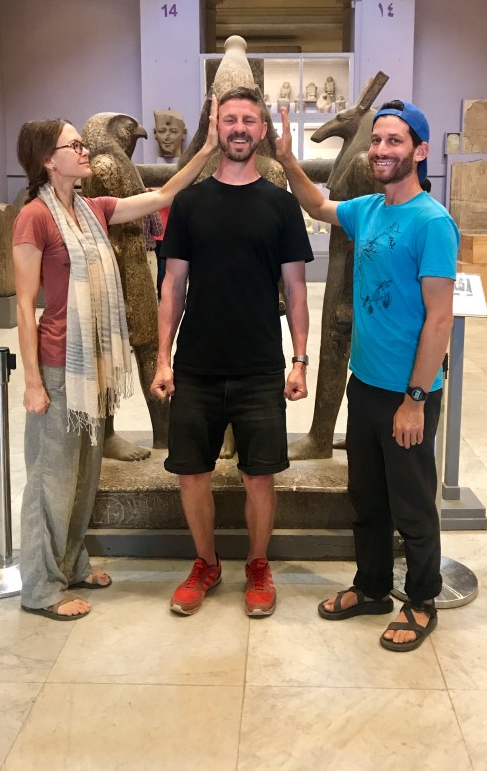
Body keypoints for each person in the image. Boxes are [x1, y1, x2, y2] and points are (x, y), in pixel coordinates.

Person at [13, 99, 218, 621]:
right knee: (51, 480)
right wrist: (33, 382)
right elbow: (24, 304)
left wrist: (207, 148)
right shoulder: (34, 218)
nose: (84, 152)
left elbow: (164, 194)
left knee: (84, 477)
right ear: (48, 160)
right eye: (74, 145)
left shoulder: (93, 209)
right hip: (59, 365)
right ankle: (41, 587)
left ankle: (72, 564)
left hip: (92, 367)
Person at [274, 98, 459, 652]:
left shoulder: (432, 223)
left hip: (408, 393)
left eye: (394, 140)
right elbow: (318, 204)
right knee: (368, 499)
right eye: (377, 139)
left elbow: (440, 319)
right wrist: (287, 160)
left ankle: (421, 600)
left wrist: (415, 399)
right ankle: (373, 587)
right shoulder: (369, 209)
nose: (380, 149)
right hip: (367, 384)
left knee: (412, 505)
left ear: (420, 151)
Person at [150, 86, 313, 618]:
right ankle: (206, 562)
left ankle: (258, 565)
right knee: (191, 472)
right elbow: (173, 285)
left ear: (262, 130)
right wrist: (163, 359)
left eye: (248, 119)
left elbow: (296, 290)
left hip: (259, 365)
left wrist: (300, 360)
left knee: (259, 475)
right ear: (216, 128)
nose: (239, 127)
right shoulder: (190, 203)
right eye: (230, 119)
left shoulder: (281, 204)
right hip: (196, 365)